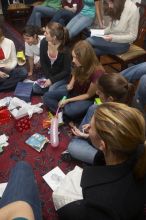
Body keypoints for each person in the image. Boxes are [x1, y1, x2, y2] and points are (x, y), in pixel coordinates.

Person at [54, 102, 146, 220]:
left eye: (91, 127)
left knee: (64, 206)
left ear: (103, 145)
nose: (87, 127)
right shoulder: (138, 148)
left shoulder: (101, 197)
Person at [67, 72, 134, 164]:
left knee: (72, 147)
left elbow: (106, 148)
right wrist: (92, 127)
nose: (96, 92)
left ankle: (97, 161)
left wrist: (87, 135)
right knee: (93, 108)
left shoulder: (114, 123)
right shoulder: (116, 106)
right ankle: (80, 138)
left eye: (100, 92)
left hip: (108, 155)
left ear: (110, 99)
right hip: (103, 141)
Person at [43, 40, 104, 121]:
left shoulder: (98, 73)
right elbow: (75, 72)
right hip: (73, 91)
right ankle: (63, 115)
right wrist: (71, 83)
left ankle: (64, 114)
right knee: (46, 96)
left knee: (69, 111)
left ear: (85, 58)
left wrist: (68, 100)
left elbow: (88, 95)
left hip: (85, 98)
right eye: (73, 57)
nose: (73, 60)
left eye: (76, 58)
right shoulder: (79, 63)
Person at [33, 22, 71, 95]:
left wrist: (52, 80)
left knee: (51, 90)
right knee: (35, 88)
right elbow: (43, 62)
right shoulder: (44, 42)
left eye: (46, 33)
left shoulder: (65, 50)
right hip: (48, 75)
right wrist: (48, 78)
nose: (44, 34)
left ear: (54, 37)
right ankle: (58, 92)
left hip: (61, 77)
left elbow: (66, 71)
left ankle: (57, 91)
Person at [0, 24, 27, 92]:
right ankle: (10, 85)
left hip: (9, 69)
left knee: (23, 72)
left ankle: (3, 87)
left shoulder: (9, 42)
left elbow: (14, 60)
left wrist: (9, 68)